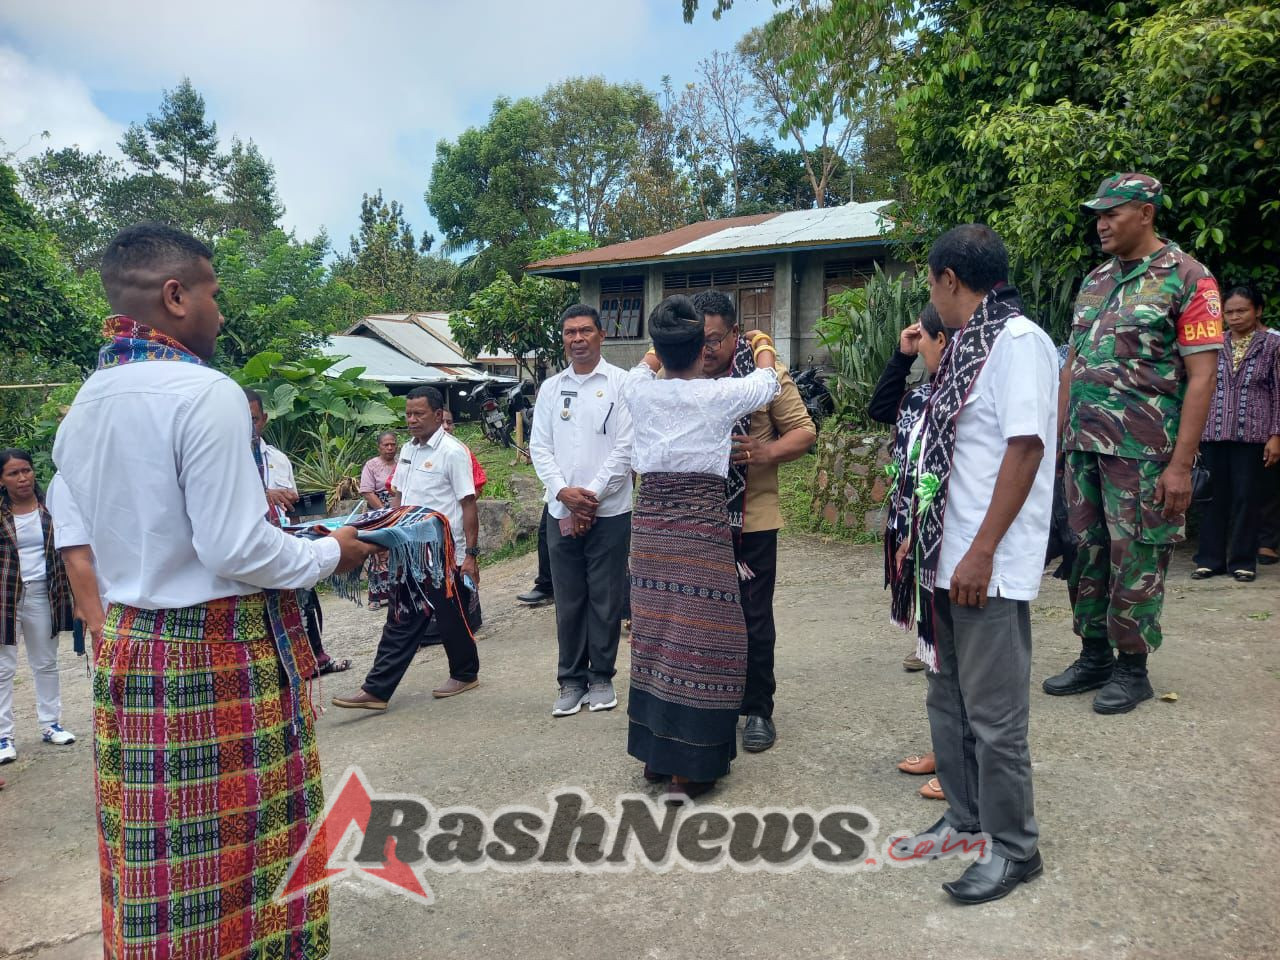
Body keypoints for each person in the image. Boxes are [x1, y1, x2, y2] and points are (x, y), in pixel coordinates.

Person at [51, 222, 376, 959]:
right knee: (248, 847)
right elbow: (233, 547)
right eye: (212, 294)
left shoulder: (85, 408)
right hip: (214, 656)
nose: (219, 313)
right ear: (174, 296)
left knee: (154, 850)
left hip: (133, 649)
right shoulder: (205, 394)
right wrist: (332, 553)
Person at [892, 225, 1056, 905]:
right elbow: (940, 448)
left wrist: (982, 549)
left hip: (982, 565)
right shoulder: (965, 347)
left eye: (932, 283)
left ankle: (1015, 849)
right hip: (942, 559)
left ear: (949, 279)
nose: (932, 295)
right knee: (946, 701)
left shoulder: (1019, 344)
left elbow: (1025, 449)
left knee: (994, 718)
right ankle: (964, 818)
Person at [1046, 173, 1223, 714]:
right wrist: (1059, 440)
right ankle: (1093, 653)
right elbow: (1072, 363)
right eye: (1098, 214)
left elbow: (1203, 377)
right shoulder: (1095, 280)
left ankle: (1132, 668)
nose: (1101, 223)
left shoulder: (1190, 279)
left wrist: (1181, 465)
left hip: (1144, 454)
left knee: (1136, 556)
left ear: (1146, 212)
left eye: (1112, 213)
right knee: (1085, 550)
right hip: (1084, 448)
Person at [622, 295, 780, 803]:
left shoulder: (638, 390)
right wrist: (761, 346)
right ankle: (687, 766)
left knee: (655, 634)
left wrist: (658, 351)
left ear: (661, 350)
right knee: (708, 639)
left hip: (650, 527)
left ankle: (656, 752)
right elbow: (767, 385)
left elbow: (643, 369)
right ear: (699, 348)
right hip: (698, 526)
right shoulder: (718, 395)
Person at [693, 290, 815, 753]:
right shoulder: (680, 370)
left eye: (715, 340)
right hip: (698, 520)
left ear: (736, 334)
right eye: (699, 340)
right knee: (703, 617)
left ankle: (758, 709)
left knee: (753, 618)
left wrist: (764, 452)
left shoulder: (766, 374)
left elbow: (804, 430)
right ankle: (711, 704)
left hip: (754, 519)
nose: (706, 350)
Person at [331, 385, 482, 710]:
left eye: (419, 414)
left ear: (439, 415)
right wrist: (387, 535)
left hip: (444, 553)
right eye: (408, 414)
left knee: (448, 615)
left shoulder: (453, 452)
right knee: (403, 615)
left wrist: (471, 555)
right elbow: (398, 497)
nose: (411, 420)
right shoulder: (409, 451)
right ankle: (378, 690)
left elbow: (468, 504)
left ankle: (464, 673)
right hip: (410, 551)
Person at [531, 304, 635, 716]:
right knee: (569, 598)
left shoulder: (622, 384)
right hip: (559, 510)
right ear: (564, 339)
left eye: (585, 331)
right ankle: (570, 680)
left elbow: (625, 448)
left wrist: (587, 498)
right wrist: (563, 494)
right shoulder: (551, 389)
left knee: (606, 598)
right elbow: (540, 447)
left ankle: (601, 678)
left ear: (601, 335)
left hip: (610, 510)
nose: (577, 339)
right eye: (570, 332)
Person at [869, 306, 952, 802]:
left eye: (923, 338)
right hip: (911, 539)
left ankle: (961, 762)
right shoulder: (920, 397)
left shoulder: (961, 398)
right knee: (936, 656)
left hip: (940, 542)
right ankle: (945, 750)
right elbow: (882, 409)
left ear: (943, 341)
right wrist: (900, 359)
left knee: (952, 657)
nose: (917, 343)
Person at [247, 388, 352, 676]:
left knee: (305, 600)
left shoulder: (278, 459)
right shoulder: (228, 459)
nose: (249, 427)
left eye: (254, 419)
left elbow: (290, 502)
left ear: (264, 419)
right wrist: (266, 494)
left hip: (286, 539)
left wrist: (295, 503)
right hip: (254, 546)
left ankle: (314, 657)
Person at [1192, 284, 1280, 582]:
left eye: (1242, 310)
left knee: (1246, 497)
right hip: (1213, 430)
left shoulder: (1272, 344)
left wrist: (1276, 435)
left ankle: (1242, 561)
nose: (1235, 317)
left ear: (1258, 310)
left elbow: (1279, 393)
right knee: (1212, 497)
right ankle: (1209, 560)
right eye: (1229, 312)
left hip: (1253, 433)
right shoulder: (1215, 343)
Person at [0, 449, 76, 765]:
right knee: (3, 668)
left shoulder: (49, 509)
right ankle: (4, 736)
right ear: (2, 480)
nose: (23, 478)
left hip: (43, 593)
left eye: (26, 470)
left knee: (45, 662)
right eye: (13, 473)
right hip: (5, 596)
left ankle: (50, 724)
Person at [360, 430, 399, 607]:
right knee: (378, 554)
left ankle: (397, 596)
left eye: (393, 444)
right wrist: (384, 512)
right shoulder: (371, 465)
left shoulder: (401, 464)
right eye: (386, 445)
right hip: (378, 512)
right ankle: (376, 597)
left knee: (398, 551)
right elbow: (367, 491)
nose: (390, 448)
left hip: (399, 509)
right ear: (379, 447)